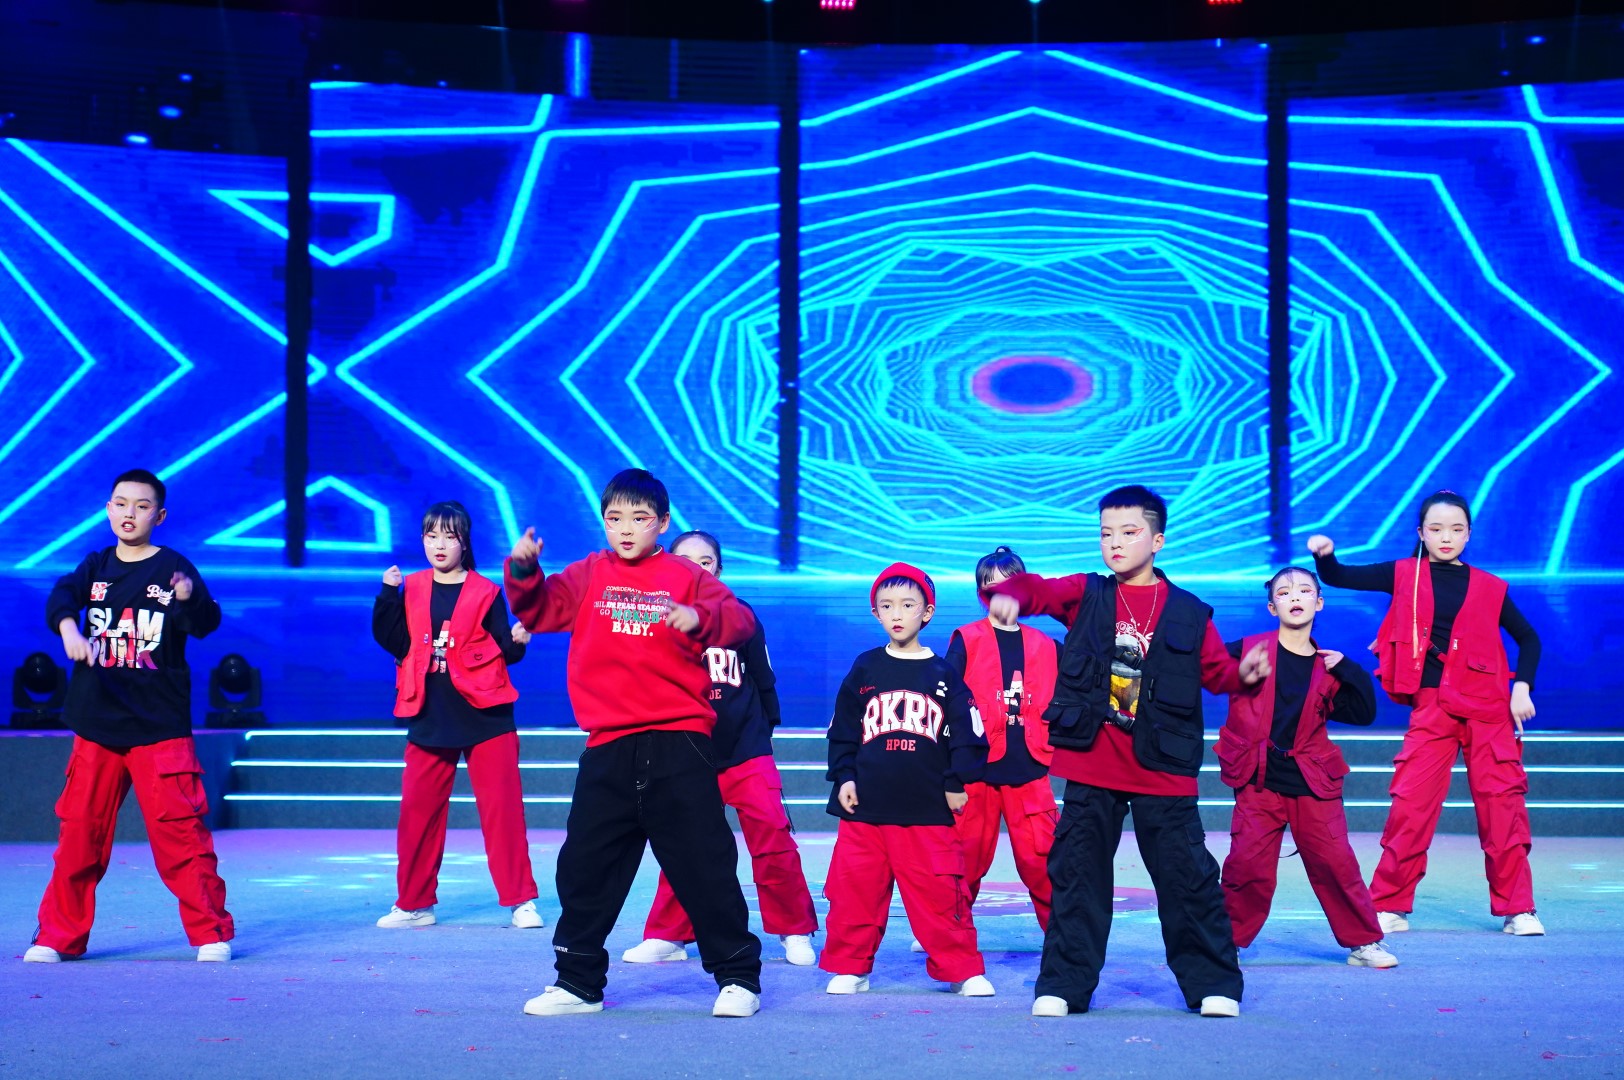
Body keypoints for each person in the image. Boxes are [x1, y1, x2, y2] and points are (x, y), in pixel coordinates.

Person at [986, 485, 1269, 1018]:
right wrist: (1012, 594)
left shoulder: (1189, 611)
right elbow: (1038, 590)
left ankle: (1213, 984)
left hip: (1162, 766)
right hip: (1093, 762)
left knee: (1187, 879)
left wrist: (1244, 675)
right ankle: (1064, 985)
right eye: (1105, 534)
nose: (1115, 543)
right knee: (1077, 876)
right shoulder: (1087, 593)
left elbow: (1216, 673)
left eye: (1129, 532)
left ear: (1157, 540)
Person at [505, 469, 764, 1018]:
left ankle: (738, 978)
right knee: (585, 867)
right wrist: (524, 570)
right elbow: (539, 610)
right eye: (614, 518)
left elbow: (741, 620)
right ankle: (578, 983)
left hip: (679, 741)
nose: (625, 529)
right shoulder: (588, 574)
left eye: (639, 518)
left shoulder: (684, 574)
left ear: (662, 523)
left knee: (705, 865)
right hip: (609, 744)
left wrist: (700, 617)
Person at [1308, 489, 1544, 936]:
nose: (1446, 537)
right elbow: (1339, 575)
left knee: (1502, 808)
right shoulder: (1403, 574)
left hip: (1488, 709)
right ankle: (1389, 903)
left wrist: (1522, 687)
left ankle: (1519, 909)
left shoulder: (1490, 587)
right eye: (1436, 529)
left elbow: (1529, 639)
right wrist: (1325, 556)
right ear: (1421, 533)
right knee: (1411, 807)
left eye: (1456, 529)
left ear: (1469, 534)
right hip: (1434, 708)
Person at [26, 469, 234, 963]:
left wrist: (188, 598)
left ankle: (211, 933)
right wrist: (69, 630)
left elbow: (206, 622)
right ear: (108, 509)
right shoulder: (95, 566)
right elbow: (61, 597)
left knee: (181, 837)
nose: (129, 513)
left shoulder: (174, 567)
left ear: (159, 516)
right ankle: (57, 937)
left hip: (158, 727)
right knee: (79, 836)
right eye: (121, 503)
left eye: (142, 506)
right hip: (97, 725)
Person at [621, 530, 819, 968]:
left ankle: (794, 929)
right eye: (684, 560)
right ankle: (669, 934)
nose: (695, 568)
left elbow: (763, 679)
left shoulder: (739, 615)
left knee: (772, 836)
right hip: (687, 751)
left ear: (720, 569)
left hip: (746, 750)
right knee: (684, 843)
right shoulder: (653, 620)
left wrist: (760, 734)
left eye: (705, 561)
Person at [820, 563, 993, 997]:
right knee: (855, 891)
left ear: (927, 612)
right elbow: (843, 730)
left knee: (941, 894)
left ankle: (960, 968)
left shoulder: (943, 674)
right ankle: (851, 966)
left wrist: (956, 782)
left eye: (907, 605)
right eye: (887, 605)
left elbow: (969, 735)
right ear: (876, 613)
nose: (896, 613)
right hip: (866, 811)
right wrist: (844, 776)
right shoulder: (865, 668)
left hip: (926, 809)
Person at [371, 500, 540, 931]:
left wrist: (518, 641)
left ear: (465, 542)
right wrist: (387, 595)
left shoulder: (486, 591)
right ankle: (414, 904)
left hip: (486, 715)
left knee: (503, 814)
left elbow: (504, 648)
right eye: (432, 536)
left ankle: (521, 901)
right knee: (417, 816)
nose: (440, 545)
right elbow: (394, 641)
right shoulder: (410, 587)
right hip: (429, 713)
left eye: (449, 536)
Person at [1216, 566, 1396, 968]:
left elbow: (1364, 712)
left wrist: (1349, 669)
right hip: (1258, 779)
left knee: (1335, 864)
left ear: (1319, 602)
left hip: (1313, 781)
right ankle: (1228, 943)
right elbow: (1201, 667)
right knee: (1246, 865)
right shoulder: (1246, 650)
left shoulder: (1329, 667)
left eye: (1303, 590)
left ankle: (1364, 942)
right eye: (1283, 592)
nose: (1294, 597)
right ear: (1272, 607)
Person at [941, 546, 1060, 930]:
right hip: (978, 771)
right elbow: (946, 704)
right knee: (965, 859)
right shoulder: (967, 639)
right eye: (991, 587)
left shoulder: (1046, 645)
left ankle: (1060, 937)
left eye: (1010, 585)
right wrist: (950, 774)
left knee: (1043, 861)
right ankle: (948, 931)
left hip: (1030, 769)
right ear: (981, 594)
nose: (1001, 595)